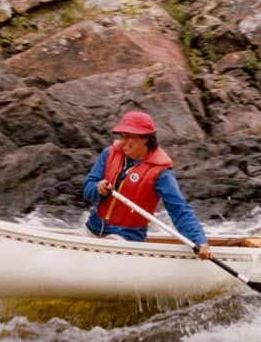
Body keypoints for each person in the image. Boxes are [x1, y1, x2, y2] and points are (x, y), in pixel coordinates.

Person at [83, 111, 212, 259]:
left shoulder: (161, 173)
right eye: (122, 136)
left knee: (107, 247)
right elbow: (88, 188)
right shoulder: (109, 154)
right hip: (92, 227)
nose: (123, 142)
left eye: (129, 136)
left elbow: (179, 209)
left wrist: (199, 240)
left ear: (145, 138)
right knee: (77, 239)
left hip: (126, 236)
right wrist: (98, 190)